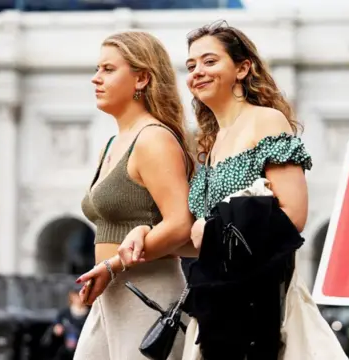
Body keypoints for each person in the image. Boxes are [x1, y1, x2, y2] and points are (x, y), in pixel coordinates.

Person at [119, 19, 312, 359]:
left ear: (242, 68)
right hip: (215, 304)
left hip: (260, 302)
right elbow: (198, 242)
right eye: (191, 65)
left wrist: (212, 229)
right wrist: (143, 233)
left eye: (210, 61)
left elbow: (293, 216)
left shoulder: (265, 120)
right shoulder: (210, 143)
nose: (197, 72)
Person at [72, 30, 197, 360]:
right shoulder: (112, 144)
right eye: (98, 69)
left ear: (141, 78)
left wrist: (112, 266)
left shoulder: (154, 139)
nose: (95, 79)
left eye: (108, 70)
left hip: (147, 296)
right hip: (110, 297)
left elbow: (180, 224)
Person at [47, 286, 90, 360]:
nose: (78, 298)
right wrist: (57, 329)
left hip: (84, 351)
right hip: (65, 351)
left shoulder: (90, 314)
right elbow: (55, 328)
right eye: (76, 295)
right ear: (72, 296)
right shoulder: (64, 313)